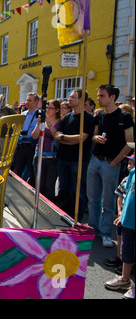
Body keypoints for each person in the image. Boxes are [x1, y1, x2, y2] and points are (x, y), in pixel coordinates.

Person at [87, 85, 134, 247]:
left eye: (101, 96)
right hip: (95, 160)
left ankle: (106, 233)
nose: (98, 98)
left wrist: (116, 161)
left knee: (108, 200)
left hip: (111, 162)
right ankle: (93, 228)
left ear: (112, 97)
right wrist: (96, 138)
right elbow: (94, 136)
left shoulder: (125, 117)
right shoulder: (99, 116)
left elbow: (130, 142)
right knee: (93, 198)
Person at [53, 89, 94, 221]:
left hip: (78, 160)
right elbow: (56, 135)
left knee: (77, 191)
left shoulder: (88, 118)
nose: (69, 99)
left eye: (72, 97)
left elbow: (81, 138)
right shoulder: (67, 117)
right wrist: (69, 139)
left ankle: (77, 218)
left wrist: (65, 137)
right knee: (63, 189)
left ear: (81, 100)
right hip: (63, 158)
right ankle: (64, 216)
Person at [104, 152, 135, 299]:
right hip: (128, 221)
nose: (131, 165)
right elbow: (125, 195)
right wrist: (121, 214)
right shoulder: (132, 174)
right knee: (126, 253)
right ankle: (124, 279)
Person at [31, 99, 62, 201]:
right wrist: (38, 124)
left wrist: (49, 123)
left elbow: (56, 136)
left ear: (57, 110)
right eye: (47, 108)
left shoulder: (60, 122)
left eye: (51, 108)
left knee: (49, 186)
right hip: (39, 155)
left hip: (51, 157)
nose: (48, 110)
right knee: (39, 185)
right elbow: (34, 136)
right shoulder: (42, 121)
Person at [13, 92, 40, 187]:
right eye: (27, 100)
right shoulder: (23, 114)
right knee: (17, 169)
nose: (27, 102)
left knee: (31, 171)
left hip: (31, 145)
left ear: (36, 102)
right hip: (21, 145)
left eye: (30, 100)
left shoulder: (38, 115)